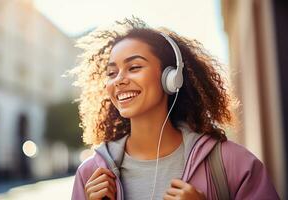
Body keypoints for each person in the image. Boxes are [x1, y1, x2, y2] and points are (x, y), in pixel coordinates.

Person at [70, 17, 279, 200]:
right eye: (112, 73)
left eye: (134, 67)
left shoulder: (231, 163)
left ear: (171, 78)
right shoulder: (91, 174)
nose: (119, 80)